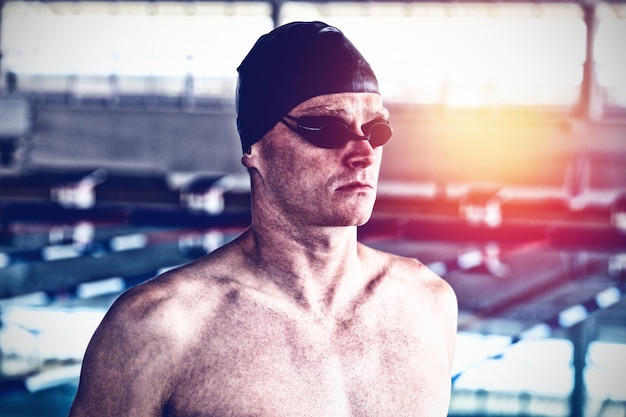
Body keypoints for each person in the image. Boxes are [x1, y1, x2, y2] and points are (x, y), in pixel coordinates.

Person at [69, 21, 457, 417]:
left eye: (376, 129)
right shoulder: (161, 326)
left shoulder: (428, 303)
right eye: (326, 128)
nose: (364, 154)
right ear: (255, 147)